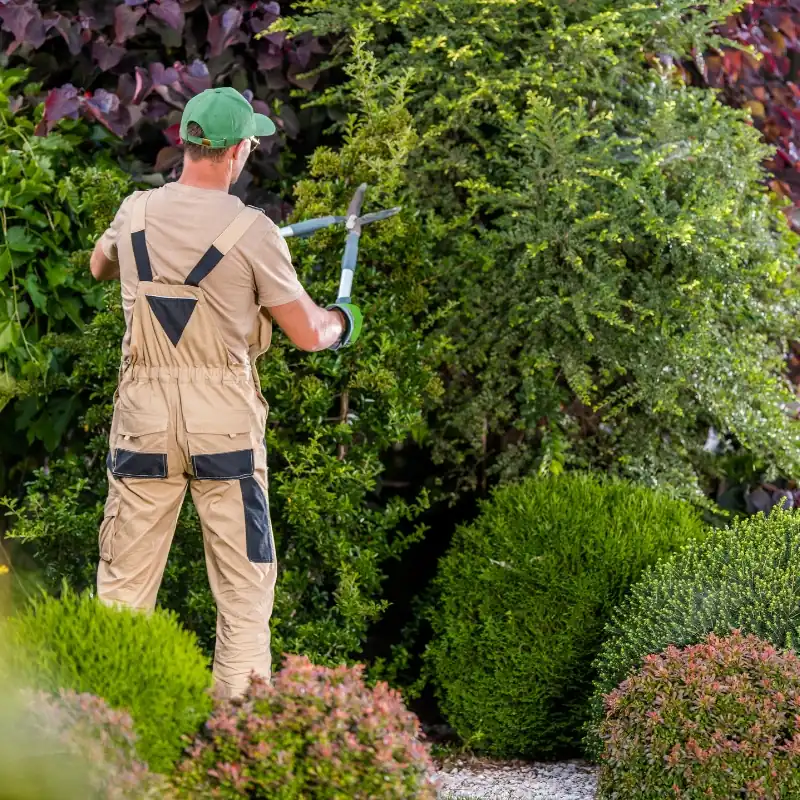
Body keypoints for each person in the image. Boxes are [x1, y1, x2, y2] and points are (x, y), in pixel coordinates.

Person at [88, 87, 362, 698]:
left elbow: (99, 267)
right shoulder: (254, 231)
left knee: (123, 590)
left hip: (143, 420)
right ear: (238, 152)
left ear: (184, 144)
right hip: (225, 428)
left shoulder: (134, 213)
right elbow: (310, 334)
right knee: (243, 590)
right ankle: (236, 742)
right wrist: (345, 320)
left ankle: (103, 749)